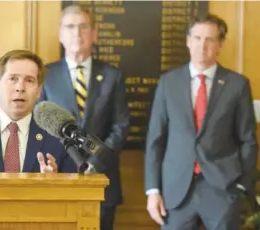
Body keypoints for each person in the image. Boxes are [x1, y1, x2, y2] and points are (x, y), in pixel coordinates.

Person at [145, 14, 258, 230]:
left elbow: (248, 140)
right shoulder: (168, 83)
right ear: (188, 41)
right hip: (176, 193)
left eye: (210, 39)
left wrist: (242, 186)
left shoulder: (237, 85)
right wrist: (153, 191)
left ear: (220, 45)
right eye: (197, 38)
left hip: (222, 191)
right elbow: (155, 140)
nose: (202, 45)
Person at [39, 5, 130, 230]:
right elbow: (38, 124)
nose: (77, 33)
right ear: (60, 34)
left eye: (83, 26)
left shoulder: (112, 76)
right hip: (57, 179)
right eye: (70, 27)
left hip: (102, 180)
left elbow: (121, 126)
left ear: (94, 33)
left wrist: (94, 163)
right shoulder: (46, 76)